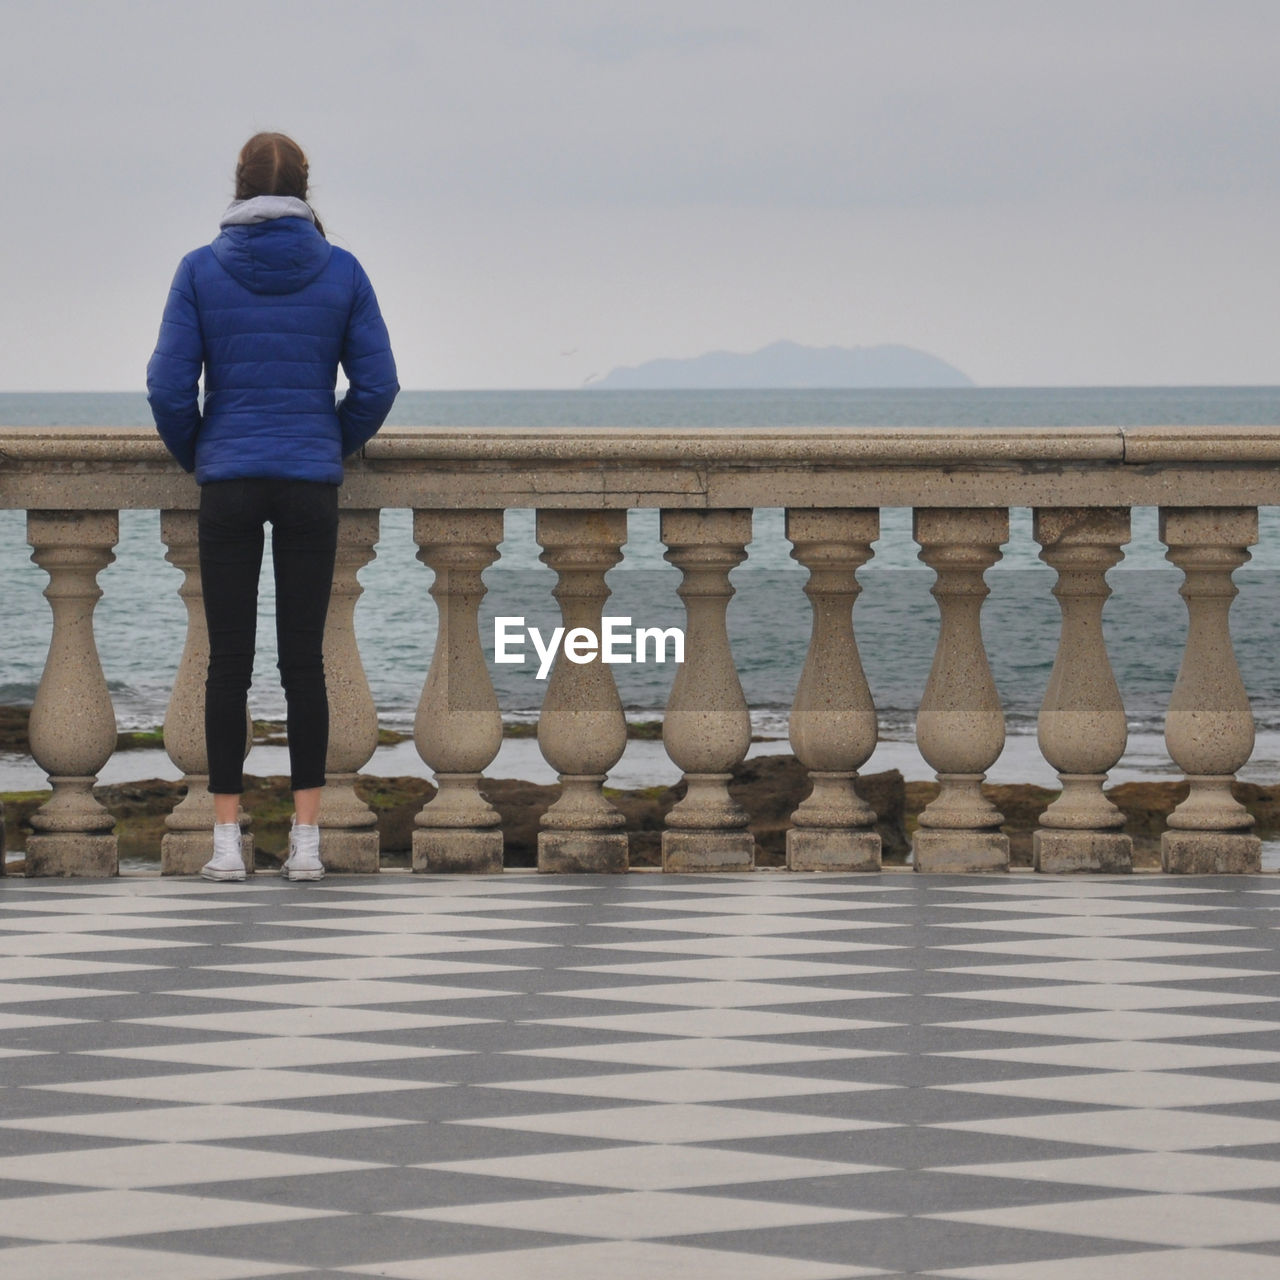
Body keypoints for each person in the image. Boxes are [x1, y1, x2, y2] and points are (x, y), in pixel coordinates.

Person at [147, 132, 398, 882]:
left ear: (238, 186)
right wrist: (329, 439)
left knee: (227, 663)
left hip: (227, 480)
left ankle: (227, 842)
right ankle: (308, 841)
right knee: (303, 665)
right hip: (307, 481)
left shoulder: (198, 270)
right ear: (306, 191)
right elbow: (378, 387)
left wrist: (203, 452)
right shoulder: (343, 270)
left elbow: (167, 390)